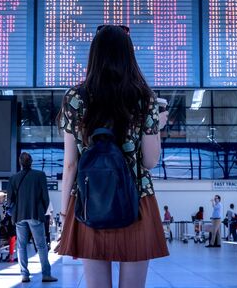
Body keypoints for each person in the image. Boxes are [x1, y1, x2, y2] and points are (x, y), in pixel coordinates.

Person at [55, 25, 169, 288]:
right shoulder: (145, 98)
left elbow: (71, 163)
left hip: (89, 201)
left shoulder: (75, 98)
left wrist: (65, 213)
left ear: (94, 55)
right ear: (128, 55)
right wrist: (156, 128)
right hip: (137, 201)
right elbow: (150, 162)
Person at [7, 152, 57, 283]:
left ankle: (24, 275)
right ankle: (46, 274)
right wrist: (42, 212)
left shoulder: (13, 178)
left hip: (19, 216)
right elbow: (45, 197)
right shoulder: (40, 175)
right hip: (35, 214)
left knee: (21, 246)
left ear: (20, 162)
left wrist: (14, 213)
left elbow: (9, 200)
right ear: (31, 162)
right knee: (41, 246)